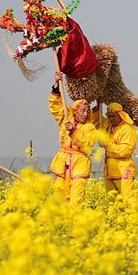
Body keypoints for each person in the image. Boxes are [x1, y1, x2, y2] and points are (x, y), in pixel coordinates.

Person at [48, 76, 97, 205]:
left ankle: (77, 223)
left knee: (77, 200)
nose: (85, 114)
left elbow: (87, 145)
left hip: (80, 164)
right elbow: (55, 107)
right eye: (83, 111)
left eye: (87, 111)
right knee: (59, 200)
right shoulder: (66, 118)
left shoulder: (90, 127)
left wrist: (73, 131)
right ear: (75, 111)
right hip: (63, 163)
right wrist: (56, 87)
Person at [93, 102, 138, 200]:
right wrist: (97, 108)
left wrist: (108, 145)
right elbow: (96, 121)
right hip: (109, 170)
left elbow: (125, 150)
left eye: (113, 116)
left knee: (128, 200)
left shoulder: (127, 129)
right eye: (109, 116)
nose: (111, 118)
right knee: (113, 201)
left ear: (120, 115)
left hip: (123, 170)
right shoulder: (108, 126)